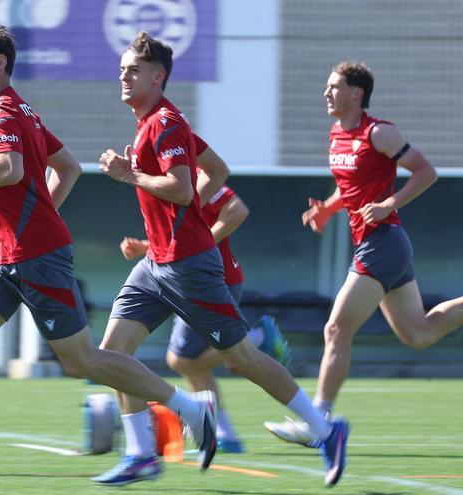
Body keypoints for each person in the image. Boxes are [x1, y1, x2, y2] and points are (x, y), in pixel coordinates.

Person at [0, 25, 221, 495]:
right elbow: (65, 167)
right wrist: (39, 211)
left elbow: (10, 169)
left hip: (37, 257)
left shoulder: (2, 112)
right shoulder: (17, 108)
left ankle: (191, 409)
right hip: (2, 257)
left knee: (82, 360)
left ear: (0, 63)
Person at [94, 32, 348, 488]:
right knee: (111, 354)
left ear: (158, 76)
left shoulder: (165, 123)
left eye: (133, 69)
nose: (124, 76)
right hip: (156, 265)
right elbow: (219, 170)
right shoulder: (154, 122)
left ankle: (327, 431)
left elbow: (183, 186)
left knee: (244, 360)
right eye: (122, 69)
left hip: (190, 265)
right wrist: (175, 217)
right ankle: (140, 454)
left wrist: (129, 174)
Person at [265, 61, 463, 445]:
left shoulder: (381, 132)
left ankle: (318, 422)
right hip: (378, 244)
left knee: (336, 328)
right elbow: (351, 188)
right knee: (419, 335)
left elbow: (425, 172)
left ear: (357, 93)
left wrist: (390, 203)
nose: (326, 93)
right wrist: (328, 208)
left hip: (383, 243)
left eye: (334, 86)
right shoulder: (336, 133)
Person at [118, 133, 292, 457]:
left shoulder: (193, 177)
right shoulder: (163, 182)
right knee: (190, 364)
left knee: (184, 359)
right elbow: (175, 236)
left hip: (213, 278)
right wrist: (145, 247)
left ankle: (257, 340)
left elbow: (237, 210)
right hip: (190, 276)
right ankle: (225, 434)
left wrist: (201, 245)